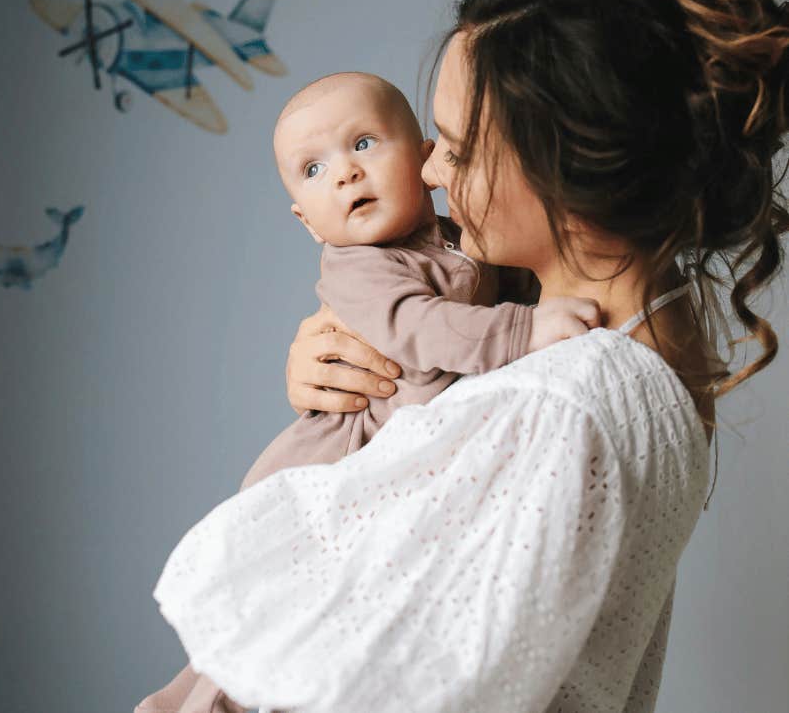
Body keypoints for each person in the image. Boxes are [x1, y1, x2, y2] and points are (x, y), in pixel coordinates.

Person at [145, 0, 789, 712]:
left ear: (563, 166)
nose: (428, 172)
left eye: (455, 147)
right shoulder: (652, 345)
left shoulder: (553, 403)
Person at [134, 71, 601, 713]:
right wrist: (527, 327)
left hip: (394, 463)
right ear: (306, 220)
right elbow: (424, 329)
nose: (346, 175)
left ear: (423, 158)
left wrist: (540, 310)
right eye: (314, 169)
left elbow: (515, 299)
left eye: (363, 144)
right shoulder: (358, 267)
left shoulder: (464, 240)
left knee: (312, 638)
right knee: (275, 627)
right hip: (337, 459)